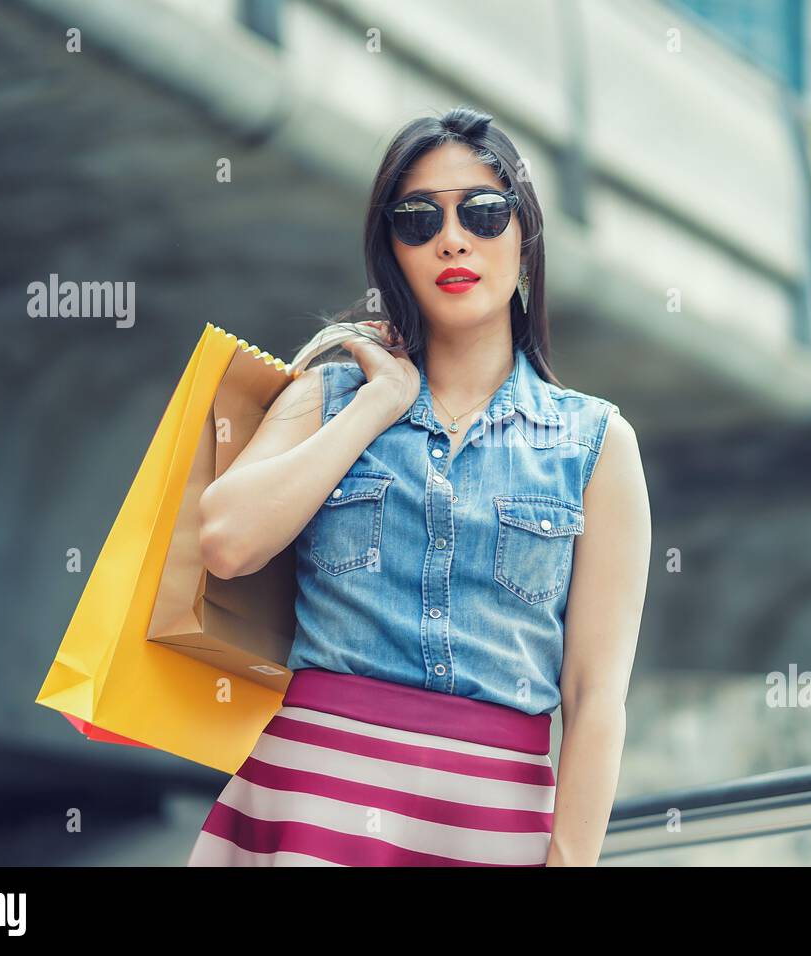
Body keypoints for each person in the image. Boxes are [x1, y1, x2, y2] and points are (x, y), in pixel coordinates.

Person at [186, 105, 650, 866]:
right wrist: (378, 404)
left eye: (484, 211)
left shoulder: (597, 445)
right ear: (391, 251)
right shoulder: (329, 396)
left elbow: (596, 697)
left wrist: (570, 859)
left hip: (489, 830)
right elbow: (226, 542)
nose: (452, 238)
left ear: (525, 237)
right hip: (308, 806)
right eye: (417, 219)